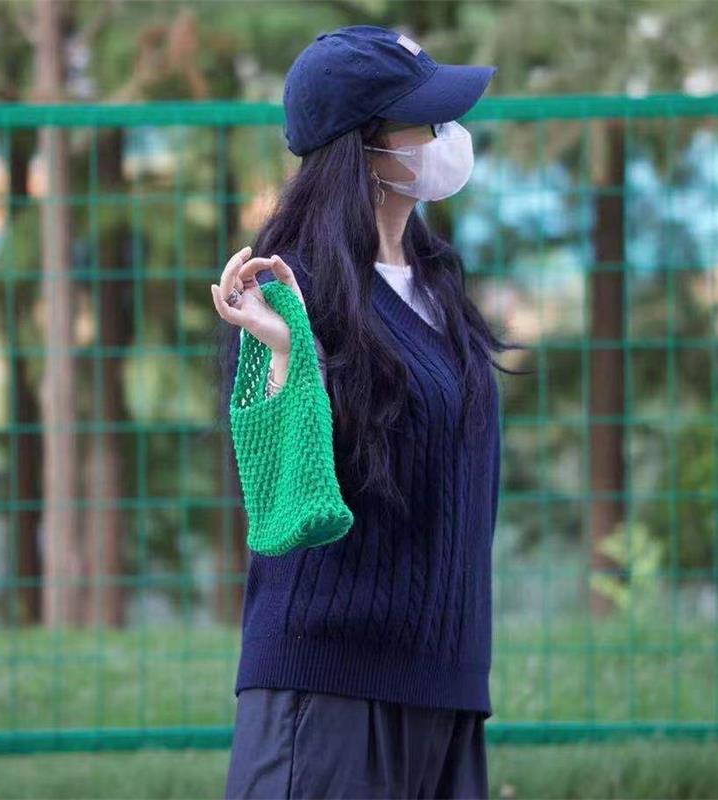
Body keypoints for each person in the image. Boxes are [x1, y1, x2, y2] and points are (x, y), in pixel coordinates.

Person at [210, 24, 523, 800]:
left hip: (443, 689)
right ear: (365, 146)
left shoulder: (437, 284)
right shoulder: (287, 292)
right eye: (426, 119)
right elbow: (289, 495)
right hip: (330, 697)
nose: (448, 137)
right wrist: (290, 355)